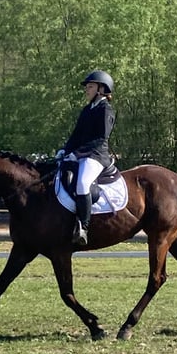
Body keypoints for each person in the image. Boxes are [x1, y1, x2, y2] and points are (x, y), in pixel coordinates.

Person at [55, 70, 116, 245]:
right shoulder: (87, 109)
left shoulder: (106, 110)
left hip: (96, 156)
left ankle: (84, 227)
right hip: (82, 154)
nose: (86, 90)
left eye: (90, 86)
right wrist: (65, 151)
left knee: (82, 183)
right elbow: (76, 136)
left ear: (101, 89)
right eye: (87, 87)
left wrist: (77, 154)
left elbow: (100, 139)